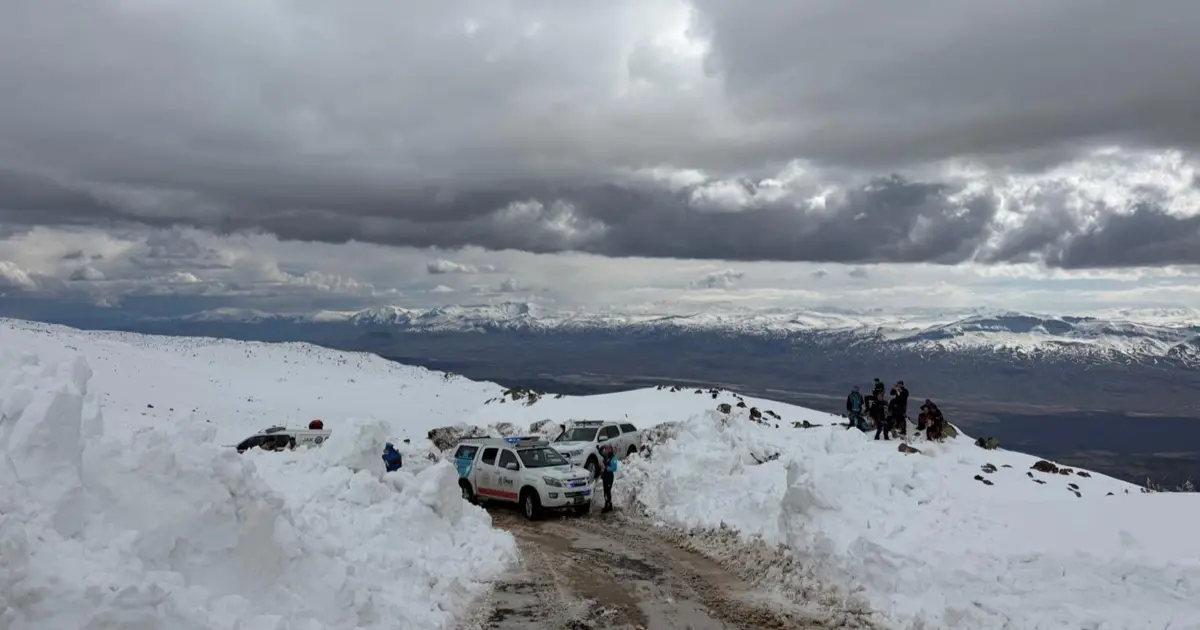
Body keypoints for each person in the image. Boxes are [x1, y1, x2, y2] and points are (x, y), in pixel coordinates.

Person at [599, 444, 617, 513]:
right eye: (606, 449)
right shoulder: (606, 456)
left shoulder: (613, 458)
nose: (607, 450)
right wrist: (602, 446)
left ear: (611, 450)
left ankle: (608, 505)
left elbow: (614, 468)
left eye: (609, 449)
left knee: (607, 491)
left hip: (609, 477)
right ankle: (608, 504)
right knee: (605, 491)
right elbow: (600, 452)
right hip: (605, 477)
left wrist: (606, 468)